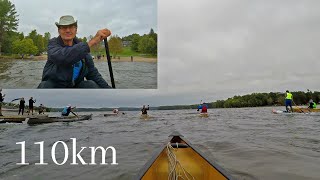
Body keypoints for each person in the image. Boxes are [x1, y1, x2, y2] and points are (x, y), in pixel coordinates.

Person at [38, 15, 112, 88]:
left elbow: (93, 74)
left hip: (75, 88)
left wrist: (110, 91)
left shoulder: (82, 48)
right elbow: (63, 57)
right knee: (44, 86)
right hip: (54, 87)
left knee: (90, 84)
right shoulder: (53, 44)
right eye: (64, 27)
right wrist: (92, 42)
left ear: (76, 30)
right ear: (59, 31)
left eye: (71, 27)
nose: (68, 30)